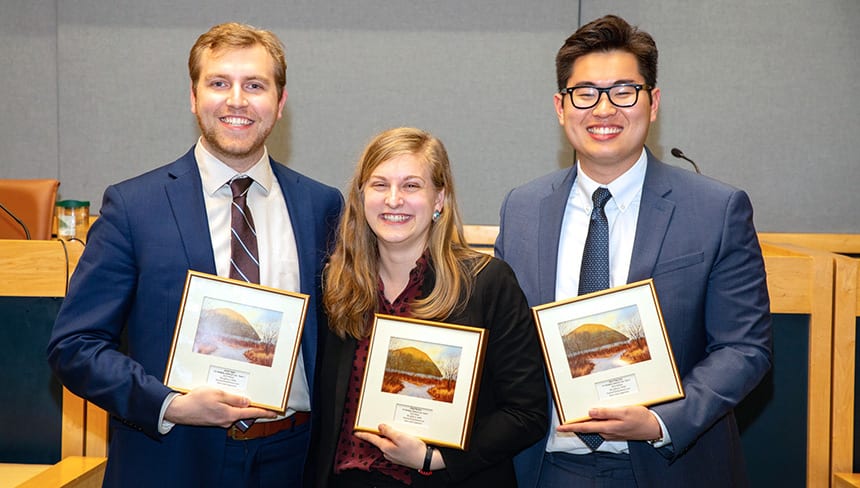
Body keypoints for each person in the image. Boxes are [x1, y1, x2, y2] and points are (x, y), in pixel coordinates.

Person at [47, 22, 342, 487]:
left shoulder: (322, 206)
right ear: (193, 96)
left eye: (255, 85)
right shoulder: (133, 207)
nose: (237, 100)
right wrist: (169, 404)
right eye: (219, 83)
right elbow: (74, 347)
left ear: (280, 103)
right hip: (170, 457)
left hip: (292, 460)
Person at [496, 15, 772, 487]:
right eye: (586, 93)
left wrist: (663, 420)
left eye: (624, 91)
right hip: (544, 467)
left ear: (654, 102)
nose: (604, 110)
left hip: (671, 462)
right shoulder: (522, 208)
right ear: (561, 107)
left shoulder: (716, 209)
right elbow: (504, 342)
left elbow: (744, 348)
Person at [309, 127, 547, 487]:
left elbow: (526, 413)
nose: (393, 199)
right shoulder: (337, 285)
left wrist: (435, 458)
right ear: (360, 197)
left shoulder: (487, 283)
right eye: (379, 184)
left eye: (411, 186)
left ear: (439, 199)